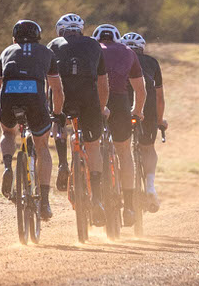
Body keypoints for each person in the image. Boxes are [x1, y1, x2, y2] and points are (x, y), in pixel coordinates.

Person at [0, 19, 55, 220]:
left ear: (14, 37)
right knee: (42, 147)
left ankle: (6, 167)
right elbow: (56, 88)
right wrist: (59, 112)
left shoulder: (6, 52)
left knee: (7, 133)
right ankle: (44, 201)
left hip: (9, 99)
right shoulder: (47, 52)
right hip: (35, 100)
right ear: (38, 37)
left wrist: (3, 114)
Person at [46, 13, 110, 195]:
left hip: (63, 97)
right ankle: (97, 195)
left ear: (61, 30)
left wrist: (52, 109)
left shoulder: (53, 45)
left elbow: (49, 83)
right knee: (93, 146)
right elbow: (103, 83)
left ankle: (62, 163)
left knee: (59, 122)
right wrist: (101, 108)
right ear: (81, 30)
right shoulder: (93, 45)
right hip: (88, 98)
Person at [93, 23, 146, 183]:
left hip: (95, 100)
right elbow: (140, 90)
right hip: (120, 101)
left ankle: (91, 190)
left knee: (91, 145)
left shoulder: (92, 49)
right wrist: (137, 111)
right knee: (124, 152)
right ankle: (129, 204)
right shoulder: (128, 52)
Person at [124, 31, 165, 211]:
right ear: (142, 48)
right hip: (147, 107)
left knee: (122, 147)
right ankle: (149, 185)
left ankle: (120, 186)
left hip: (124, 106)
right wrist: (160, 120)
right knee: (148, 148)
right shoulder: (152, 62)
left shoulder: (119, 58)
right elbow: (159, 98)